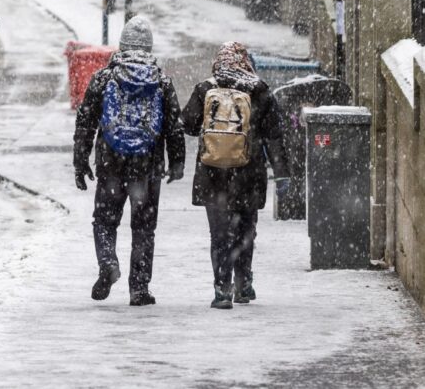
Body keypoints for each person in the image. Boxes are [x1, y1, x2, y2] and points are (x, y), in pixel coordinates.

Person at [73, 17, 185, 306]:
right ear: (149, 47)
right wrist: (177, 162)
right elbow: (174, 125)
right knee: (144, 228)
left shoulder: (103, 78)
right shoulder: (161, 81)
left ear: (121, 46)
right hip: (147, 167)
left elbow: (85, 121)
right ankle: (139, 288)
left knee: (105, 221)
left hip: (111, 162)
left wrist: (80, 160)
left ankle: (108, 262)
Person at [181, 42, 290, 310]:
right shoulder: (260, 90)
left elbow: (189, 126)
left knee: (219, 234)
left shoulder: (205, 88)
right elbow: (274, 136)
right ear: (244, 61)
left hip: (212, 173)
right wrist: (282, 173)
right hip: (248, 173)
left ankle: (222, 290)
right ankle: (243, 285)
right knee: (244, 231)